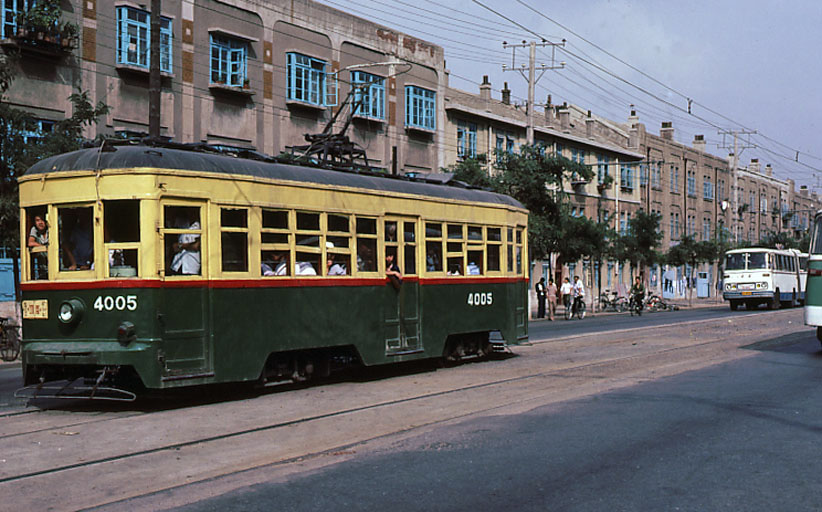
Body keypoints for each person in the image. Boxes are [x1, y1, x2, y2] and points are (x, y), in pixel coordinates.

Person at [28, 214, 49, 279]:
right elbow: (30, 243)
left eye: (42, 220)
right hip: (42, 268)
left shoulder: (50, 229)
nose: (40, 222)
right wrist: (42, 247)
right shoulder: (34, 229)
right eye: (37, 220)